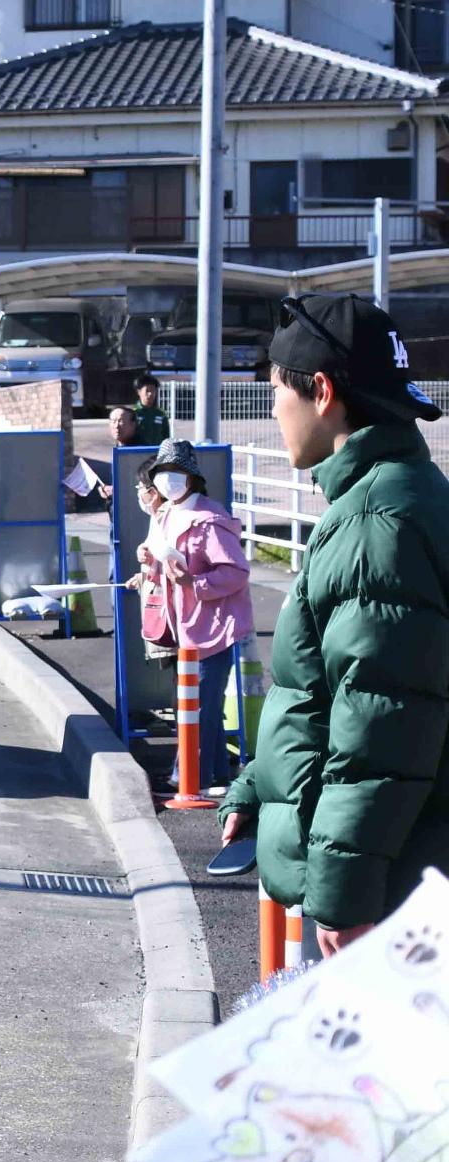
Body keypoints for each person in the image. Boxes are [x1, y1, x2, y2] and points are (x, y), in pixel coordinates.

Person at [221, 293, 449, 960]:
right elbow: (328, 693)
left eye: (274, 391)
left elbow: (382, 727)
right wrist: (261, 782)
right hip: (399, 871)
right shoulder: (401, 495)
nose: (272, 411)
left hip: (391, 895)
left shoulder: (374, 525)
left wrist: (347, 897)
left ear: (321, 392)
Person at [135, 439, 252, 793]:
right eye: (162, 473)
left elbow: (236, 572)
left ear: (192, 477)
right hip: (185, 626)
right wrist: (151, 562)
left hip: (212, 628)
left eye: (176, 472)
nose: (168, 480)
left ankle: (189, 778)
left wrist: (194, 581)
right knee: (204, 706)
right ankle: (213, 775)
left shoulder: (210, 519)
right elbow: (170, 566)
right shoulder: (168, 513)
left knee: (199, 706)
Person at [124, 461, 178, 669]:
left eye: (140, 488)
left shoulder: (167, 517)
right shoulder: (158, 517)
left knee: (184, 682)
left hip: (170, 615)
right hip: (165, 610)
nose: (139, 494)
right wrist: (142, 578)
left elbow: (173, 562)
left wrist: (151, 562)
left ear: (154, 493)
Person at [131, 373, 172, 447]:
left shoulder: (161, 414)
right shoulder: (133, 413)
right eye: (147, 390)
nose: (150, 394)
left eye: (153, 390)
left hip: (157, 454)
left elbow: (166, 438)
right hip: (137, 453)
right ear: (139, 392)